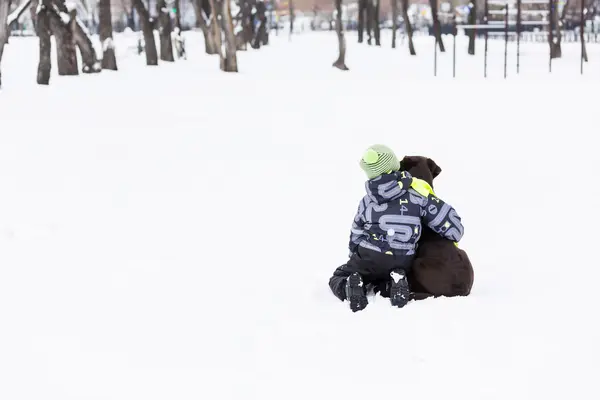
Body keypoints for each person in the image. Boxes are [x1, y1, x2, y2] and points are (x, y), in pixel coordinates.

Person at [328, 145, 464, 312]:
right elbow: (453, 225)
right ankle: (392, 284)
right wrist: (451, 234)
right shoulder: (417, 195)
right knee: (387, 276)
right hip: (402, 259)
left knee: (339, 276)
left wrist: (355, 255)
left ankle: (351, 286)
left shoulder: (366, 201)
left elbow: (356, 232)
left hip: (370, 256)